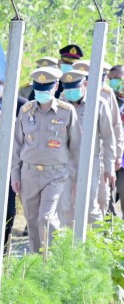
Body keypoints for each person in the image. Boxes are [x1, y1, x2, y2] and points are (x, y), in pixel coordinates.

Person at [11, 67, 81, 254]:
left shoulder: (67, 111)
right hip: (28, 174)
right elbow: (17, 146)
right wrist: (15, 174)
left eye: (46, 89)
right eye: (38, 89)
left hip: (55, 174)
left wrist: (75, 179)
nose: (41, 93)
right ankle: (37, 262)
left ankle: (55, 258)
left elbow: (75, 147)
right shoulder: (25, 111)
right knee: (33, 223)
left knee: (46, 218)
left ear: (56, 87)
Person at [57, 69, 116, 227]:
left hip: (90, 161)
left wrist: (109, 168)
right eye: (67, 88)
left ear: (85, 84)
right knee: (62, 206)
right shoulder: (60, 104)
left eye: (75, 88)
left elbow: (108, 138)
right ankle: (64, 240)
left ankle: (94, 240)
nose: (71, 92)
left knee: (89, 206)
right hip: (63, 161)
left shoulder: (98, 104)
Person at [73, 60, 124, 215]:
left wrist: (117, 154)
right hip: (73, 156)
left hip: (100, 154)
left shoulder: (106, 94)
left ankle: (99, 228)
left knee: (102, 198)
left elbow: (115, 125)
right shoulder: (68, 94)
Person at [0, 78, 28, 249]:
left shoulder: (23, 105)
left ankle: (2, 247)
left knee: (8, 207)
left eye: (1, 82)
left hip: (11, 161)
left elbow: (27, 133)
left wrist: (7, 120)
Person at [108, 65, 124, 215]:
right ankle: (108, 225)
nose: (114, 82)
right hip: (110, 152)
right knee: (107, 194)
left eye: (118, 79)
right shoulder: (107, 99)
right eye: (111, 79)